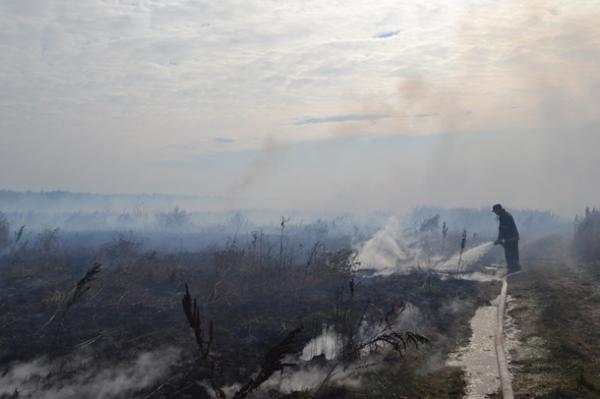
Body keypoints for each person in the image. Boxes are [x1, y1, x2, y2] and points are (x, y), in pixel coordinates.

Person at [493, 204, 521, 274]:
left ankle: (512, 268)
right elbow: (503, 229)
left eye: (495, 211)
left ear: (498, 210)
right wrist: (500, 239)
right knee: (514, 253)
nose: (495, 213)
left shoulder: (503, 216)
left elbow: (503, 229)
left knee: (509, 253)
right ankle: (515, 267)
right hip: (513, 237)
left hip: (510, 238)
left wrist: (499, 239)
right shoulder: (505, 215)